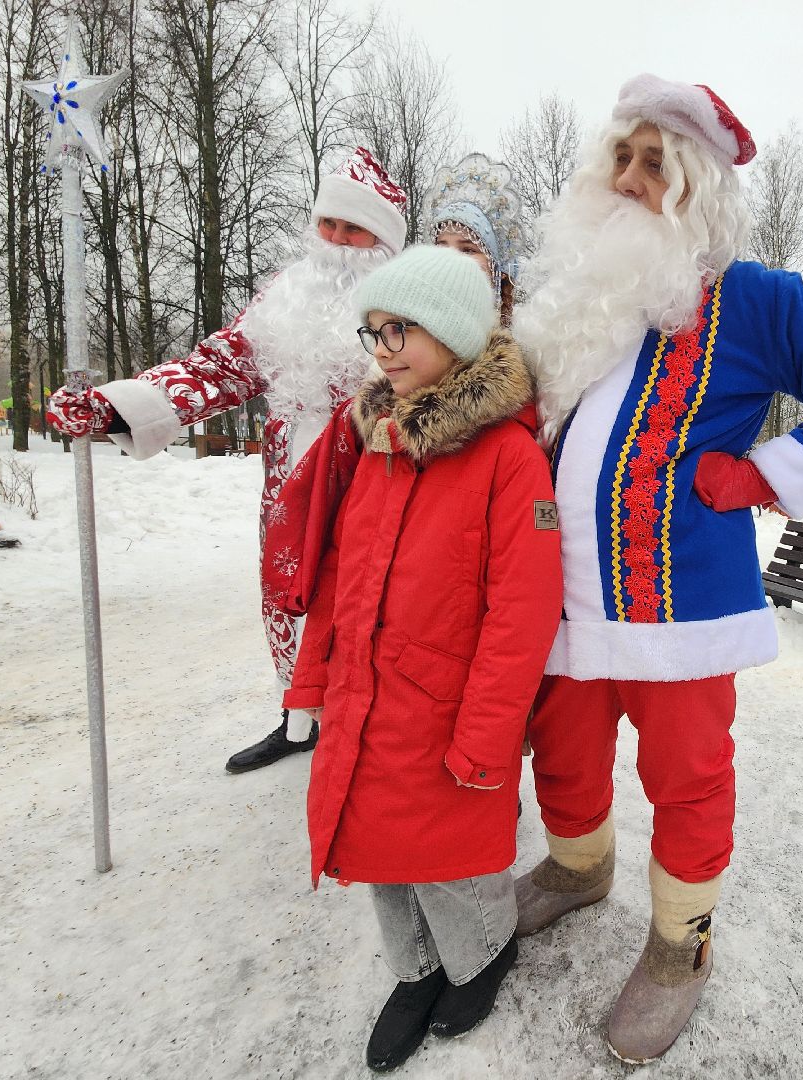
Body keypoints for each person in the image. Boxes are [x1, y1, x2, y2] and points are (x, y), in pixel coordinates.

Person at [509, 75, 803, 1063]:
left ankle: (681, 946)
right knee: (562, 753)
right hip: (562, 601)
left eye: (656, 164)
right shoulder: (574, 301)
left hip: (682, 607)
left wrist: (769, 472)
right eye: (622, 159)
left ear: (697, 188)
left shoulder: (753, 299)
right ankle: (578, 866)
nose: (630, 180)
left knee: (687, 777)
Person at [272, 244, 562, 1072]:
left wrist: (488, 733)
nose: (384, 348)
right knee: (375, 846)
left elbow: (524, 609)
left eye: (400, 328)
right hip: (367, 698)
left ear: (455, 331)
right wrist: (313, 679)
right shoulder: (381, 442)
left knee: (452, 862)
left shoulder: (508, 457)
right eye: (373, 332)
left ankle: (480, 955)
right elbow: (341, 575)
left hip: (447, 710)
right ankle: (416, 968)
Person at [46, 148, 408, 775]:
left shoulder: (406, 308)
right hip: (287, 485)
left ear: (382, 241)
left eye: (354, 228)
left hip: (369, 482)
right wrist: (116, 408)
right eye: (328, 223)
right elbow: (217, 368)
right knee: (286, 597)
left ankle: (375, 734)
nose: (335, 240)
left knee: (367, 607)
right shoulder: (286, 298)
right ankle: (299, 719)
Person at [427, 152, 526, 324]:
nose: (450, 258)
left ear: (497, 269)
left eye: (468, 250)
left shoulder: (526, 331)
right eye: (441, 248)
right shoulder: (417, 327)